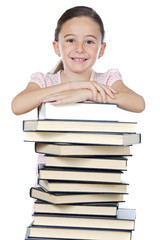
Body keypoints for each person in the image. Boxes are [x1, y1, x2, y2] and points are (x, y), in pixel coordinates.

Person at [11, 6, 145, 115]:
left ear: (101, 49)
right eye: (70, 40)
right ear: (57, 47)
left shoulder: (107, 81)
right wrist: (72, 86)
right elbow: (17, 106)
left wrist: (87, 94)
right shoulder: (45, 82)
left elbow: (138, 103)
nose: (80, 49)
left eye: (89, 41)